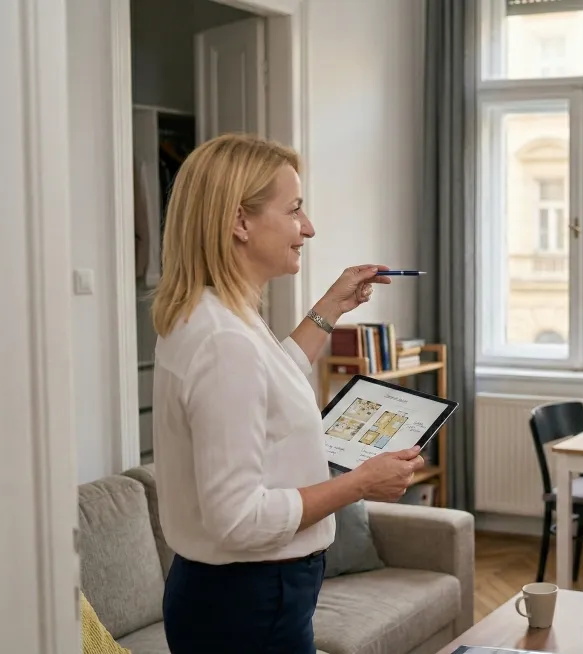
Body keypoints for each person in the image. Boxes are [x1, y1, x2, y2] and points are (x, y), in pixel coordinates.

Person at [149, 133, 424, 654]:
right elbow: (239, 520)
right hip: (250, 599)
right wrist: (361, 482)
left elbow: (270, 379)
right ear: (240, 221)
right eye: (295, 209)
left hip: (235, 595)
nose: (309, 228)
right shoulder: (224, 340)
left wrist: (330, 309)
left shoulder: (213, 319)